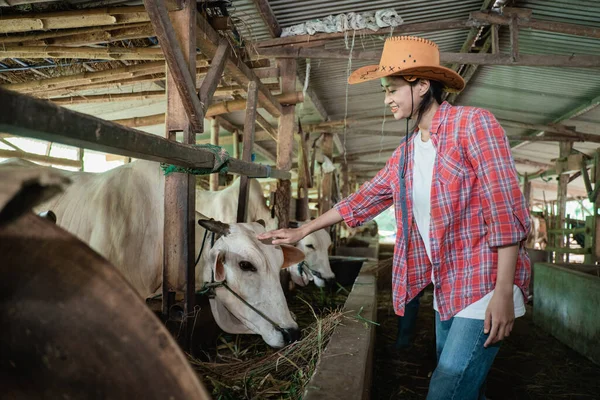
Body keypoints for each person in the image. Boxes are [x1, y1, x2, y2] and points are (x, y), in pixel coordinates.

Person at [258, 35, 531, 400]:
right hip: (448, 283)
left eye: (392, 89)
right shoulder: (405, 153)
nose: (386, 98)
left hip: (486, 281)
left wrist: (502, 292)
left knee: (447, 388)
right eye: (384, 90)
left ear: (422, 85)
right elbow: (364, 198)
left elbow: (505, 208)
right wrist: (301, 230)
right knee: (467, 386)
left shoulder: (473, 125)